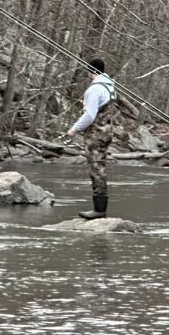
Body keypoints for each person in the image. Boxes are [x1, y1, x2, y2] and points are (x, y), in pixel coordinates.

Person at [66, 57, 120, 219]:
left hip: (96, 134)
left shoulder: (93, 90)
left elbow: (89, 115)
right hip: (107, 132)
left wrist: (74, 129)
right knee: (100, 167)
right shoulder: (110, 84)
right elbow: (102, 106)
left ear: (91, 71)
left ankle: (99, 210)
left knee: (96, 169)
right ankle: (100, 208)